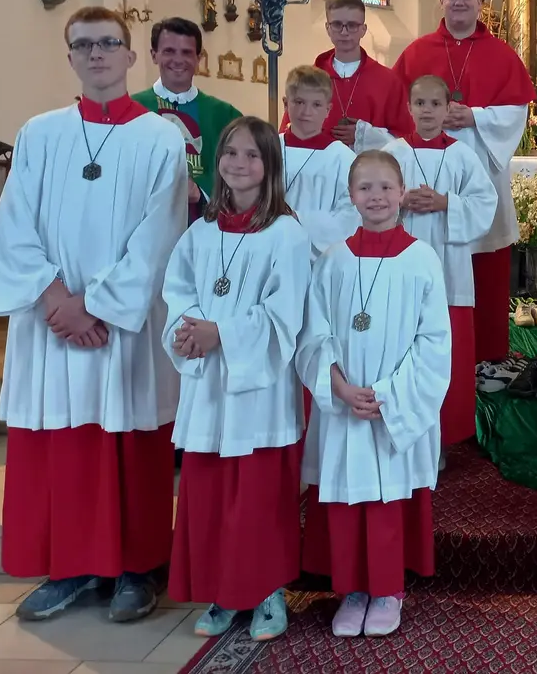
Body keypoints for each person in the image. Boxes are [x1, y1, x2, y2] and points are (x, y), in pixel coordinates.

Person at [0, 6, 187, 623]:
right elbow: (12, 225)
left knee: (131, 441)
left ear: (131, 57)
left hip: (121, 327)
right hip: (54, 326)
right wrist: (57, 302)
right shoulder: (40, 133)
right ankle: (71, 567)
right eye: (83, 45)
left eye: (108, 43)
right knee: (64, 443)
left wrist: (95, 307)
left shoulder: (160, 137)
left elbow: (160, 236)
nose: (96, 54)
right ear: (69, 56)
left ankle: (138, 568)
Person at [162, 116, 309, 642]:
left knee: (257, 496)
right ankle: (224, 591)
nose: (239, 164)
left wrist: (220, 332)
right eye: (231, 153)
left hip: (259, 389)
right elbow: (177, 291)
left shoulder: (285, 234)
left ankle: (266, 591)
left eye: (253, 155)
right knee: (210, 494)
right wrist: (189, 330)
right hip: (208, 387)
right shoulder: (201, 233)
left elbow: (284, 313)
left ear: (270, 166)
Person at [297, 151, 452, 639]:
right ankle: (353, 590)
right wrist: (337, 386)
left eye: (386, 187)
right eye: (366, 188)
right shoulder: (333, 260)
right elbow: (312, 334)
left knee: (386, 496)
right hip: (344, 404)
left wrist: (387, 395)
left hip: (393, 405)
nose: (377, 197)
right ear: (351, 196)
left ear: (402, 193)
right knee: (347, 496)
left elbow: (434, 341)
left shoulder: (421, 259)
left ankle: (387, 590)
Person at [392, 0, 534, 366]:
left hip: (478, 177)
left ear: (479, 3)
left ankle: (486, 358)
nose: (458, 3)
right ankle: (415, 352)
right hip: (424, 177)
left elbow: (516, 112)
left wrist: (475, 117)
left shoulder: (501, 54)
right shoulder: (417, 52)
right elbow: (396, 110)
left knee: (484, 265)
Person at [384, 75, 497, 447]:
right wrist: (400, 203)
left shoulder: (463, 154)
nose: (427, 111)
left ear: (448, 108)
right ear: (409, 107)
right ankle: (403, 431)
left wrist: (446, 202)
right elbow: (368, 197)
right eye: (420, 103)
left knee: (447, 352)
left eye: (435, 104)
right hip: (400, 266)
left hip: (450, 271)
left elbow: (485, 203)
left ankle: (445, 437)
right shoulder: (394, 153)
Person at [133, 17, 244, 221]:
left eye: (186, 52)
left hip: (206, 224)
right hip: (145, 222)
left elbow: (242, 171)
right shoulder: (133, 110)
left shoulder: (225, 115)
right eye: (168, 51)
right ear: (154, 55)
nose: (178, 60)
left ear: (198, 58)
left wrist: (200, 191)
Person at [307, 0, 412, 152]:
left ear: (363, 29)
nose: (344, 32)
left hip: (372, 171)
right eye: (336, 24)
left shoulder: (388, 81)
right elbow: (292, 131)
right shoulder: (310, 79)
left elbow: (405, 140)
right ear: (327, 28)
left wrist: (366, 136)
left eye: (352, 25)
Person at [281, 65, 360, 254]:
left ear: (328, 109)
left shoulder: (343, 158)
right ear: (285, 104)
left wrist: (299, 218)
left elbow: (351, 213)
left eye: (316, 105)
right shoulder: (267, 149)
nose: (306, 112)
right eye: (299, 102)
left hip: (321, 257)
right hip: (271, 249)